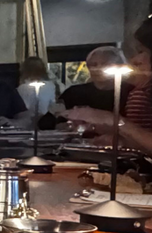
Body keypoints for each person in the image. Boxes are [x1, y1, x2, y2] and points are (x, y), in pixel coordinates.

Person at [64, 19, 152, 149]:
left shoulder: (138, 91)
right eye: (93, 65)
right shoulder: (142, 89)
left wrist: (115, 121)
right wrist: (119, 141)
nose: (134, 60)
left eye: (141, 51)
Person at [59, 46, 132, 113]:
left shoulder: (130, 92)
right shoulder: (73, 93)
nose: (98, 68)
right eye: (93, 64)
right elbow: (59, 118)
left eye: (105, 64)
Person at [18, 56, 58, 129]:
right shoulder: (51, 85)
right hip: (47, 124)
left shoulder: (21, 89)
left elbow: (22, 110)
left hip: (30, 125)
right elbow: (53, 105)